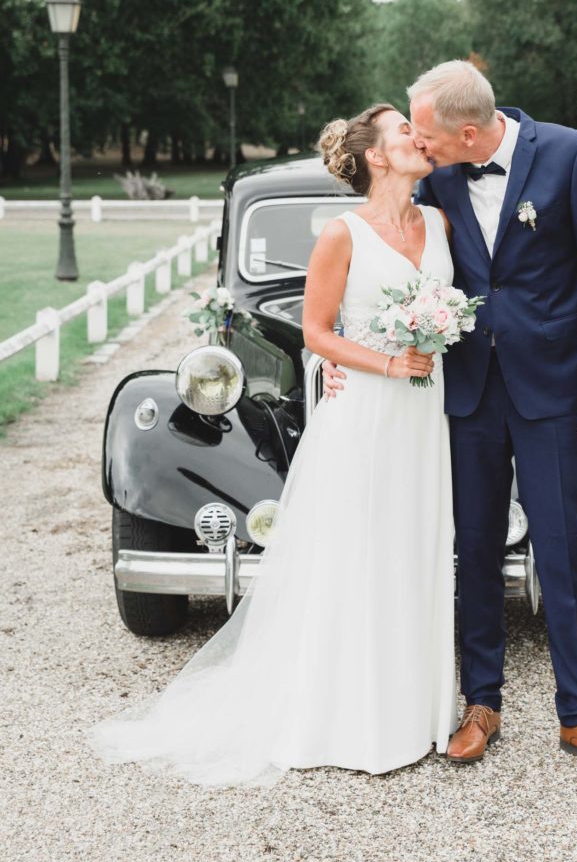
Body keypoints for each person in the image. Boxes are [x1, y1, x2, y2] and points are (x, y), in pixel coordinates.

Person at [89, 104, 458, 787]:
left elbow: (450, 306)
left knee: (415, 541)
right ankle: (349, 716)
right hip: (368, 409)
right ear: (377, 155)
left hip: (422, 414)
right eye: (405, 129)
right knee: (357, 552)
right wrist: (387, 362)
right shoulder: (342, 235)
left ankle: (417, 710)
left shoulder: (436, 223)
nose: (418, 134)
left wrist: (437, 334)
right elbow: (317, 333)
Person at [326, 61, 577, 776]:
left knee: (562, 550)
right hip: (463, 394)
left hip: (555, 391)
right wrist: (342, 349)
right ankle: (482, 703)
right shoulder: (434, 175)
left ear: (467, 132)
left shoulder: (572, 154)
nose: (419, 142)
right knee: (472, 550)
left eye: (426, 132)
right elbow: (374, 225)